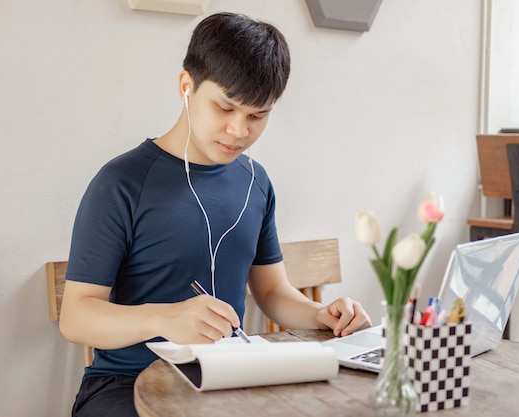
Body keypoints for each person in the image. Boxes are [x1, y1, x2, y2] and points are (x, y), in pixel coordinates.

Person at [59, 12, 372, 417]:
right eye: (225, 108)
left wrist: (320, 315)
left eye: (257, 116)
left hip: (226, 379)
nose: (239, 131)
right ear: (186, 86)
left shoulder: (255, 182)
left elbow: (272, 292)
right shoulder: (120, 183)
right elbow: (76, 316)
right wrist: (163, 318)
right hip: (125, 385)